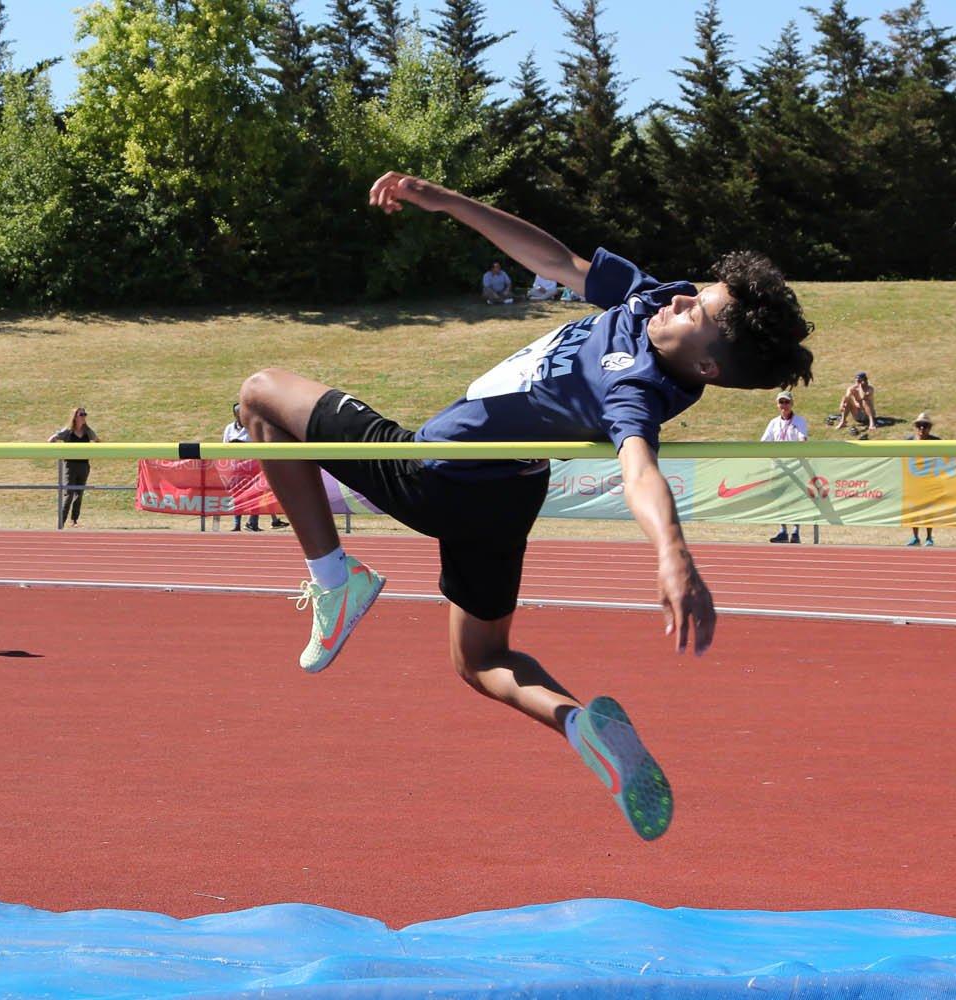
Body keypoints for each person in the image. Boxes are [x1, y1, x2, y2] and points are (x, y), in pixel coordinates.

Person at [239, 169, 814, 840]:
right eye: (695, 291)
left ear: (708, 368)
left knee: (260, 394)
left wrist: (673, 554)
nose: (681, 298)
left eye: (697, 312)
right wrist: (446, 201)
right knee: (481, 659)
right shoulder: (648, 298)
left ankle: (336, 583)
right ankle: (578, 723)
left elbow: (640, 470)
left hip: (438, 472)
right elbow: (555, 260)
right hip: (506, 494)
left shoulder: (636, 390)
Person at [219, 402, 288, 532]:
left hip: (253, 467)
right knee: (237, 496)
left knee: (254, 495)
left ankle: (253, 523)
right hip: (236, 467)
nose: (241, 415)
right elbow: (224, 445)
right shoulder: (230, 428)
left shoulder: (252, 427)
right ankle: (236, 524)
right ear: (235, 414)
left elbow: (259, 443)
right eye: (238, 413)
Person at [760, 390, 808, 543]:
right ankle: (782, 530)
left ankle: (796, 532)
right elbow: (764, 442)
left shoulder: (799, 421)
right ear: (777, 404)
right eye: (781, 402)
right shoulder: (773, 422)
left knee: (795, 499)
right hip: (778, 466)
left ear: (792, 403)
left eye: (786, 402)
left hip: (795, 465)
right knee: (780, 499)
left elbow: (802, 439)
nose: (784, 405)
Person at [48, 406, 99, 528]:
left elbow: (98, 441)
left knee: (79, 493)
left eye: (85, 414)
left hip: (83, 465)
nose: (84, 416)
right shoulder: (68, 431)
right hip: (70, 466)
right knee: (68, 493)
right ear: (75, 417)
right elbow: (51, 439)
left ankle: (74, 520)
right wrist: (59, 451)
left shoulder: (87, 431)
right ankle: (61, 522)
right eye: (81, 414)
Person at [906, 412, 940, 546]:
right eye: (919, 425)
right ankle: (915, 537)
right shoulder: (908, 442)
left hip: (929, 480)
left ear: (929, 428)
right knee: (914, 509)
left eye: (925, 426)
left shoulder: (936, 442)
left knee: (928, 510)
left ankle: (929, 537)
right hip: (913, 480)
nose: (921, 429)